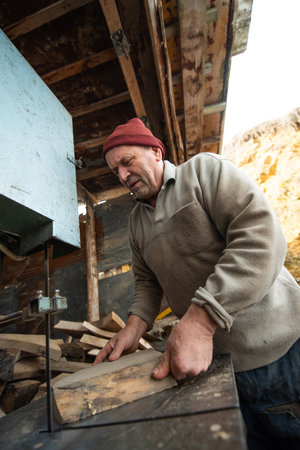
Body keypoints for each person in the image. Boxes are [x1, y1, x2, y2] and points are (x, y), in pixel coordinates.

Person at [94, 118, 300, 449]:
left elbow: (261, 238)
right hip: (217, 366)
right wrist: (133, 328)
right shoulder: (136, 222)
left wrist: (201, 321)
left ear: (155, 152)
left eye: (126, 161)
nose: (121, 175)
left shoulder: (204, 172)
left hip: (280, 351)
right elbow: (147, 281)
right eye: (114, 170)